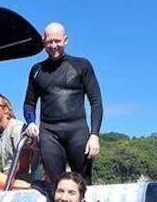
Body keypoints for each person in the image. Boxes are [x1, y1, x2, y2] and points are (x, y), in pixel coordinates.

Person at [23, 22, 103, 184]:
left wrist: (94, 135)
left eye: (57, 41)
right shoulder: (37, 70)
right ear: (43, 42)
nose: (54, 46)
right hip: (49, 133)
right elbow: (28, 103)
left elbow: (96, 102)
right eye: (49, 42)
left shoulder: (82, 65)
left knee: (83, 183)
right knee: (55, 184)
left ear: (65, 40)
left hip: (77, 131)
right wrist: (30, 122)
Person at [0, 93, 34, 190]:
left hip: (25, 186)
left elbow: (24, 161)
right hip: (8, 184)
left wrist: (1, 176)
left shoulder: (17, 128)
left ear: (6, 109)